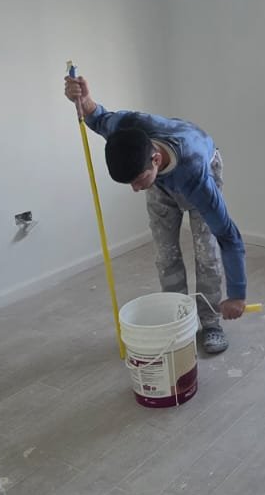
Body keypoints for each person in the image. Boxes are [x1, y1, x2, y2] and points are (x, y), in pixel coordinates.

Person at [64, 71, 246, 355]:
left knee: (206, 252)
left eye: (138, 181)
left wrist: (237, 295)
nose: (135, 190)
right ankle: (177, 319)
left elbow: (228, 235)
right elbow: (97, 116)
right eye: (130, 183)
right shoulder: (125, 131)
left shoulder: (195, 177)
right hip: (160, 179)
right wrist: (82, 98)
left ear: (156, 159)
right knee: (165, 254)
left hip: (199, 163)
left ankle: (210, 323)